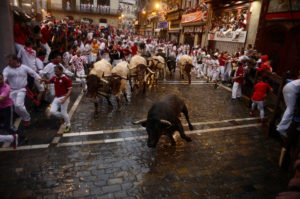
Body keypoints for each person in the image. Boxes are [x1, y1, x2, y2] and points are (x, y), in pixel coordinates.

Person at [3, 55, 41, 127]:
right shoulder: (7, 69)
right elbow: (4, 77)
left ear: (16, 60)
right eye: (8, 60)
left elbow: (33, 73)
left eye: (10, 60)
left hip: (22, 89)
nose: (9, 62)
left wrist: (39, 78)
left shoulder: (24, 67)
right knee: (15, 107)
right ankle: (24, 117)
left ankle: (27, 118)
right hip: (12, 90)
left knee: (19, 105)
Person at [41, 65, 72, 133]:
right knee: (52, 111)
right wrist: (44, 80)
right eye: (55, 71)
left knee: (64, 112)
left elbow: (70, 90)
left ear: (61, 71)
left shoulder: (66, 79)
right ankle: (64, 117)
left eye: (57, 71)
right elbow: (49, 81)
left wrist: (65, 99)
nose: (55, 72)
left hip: (64, 97)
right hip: (57, 97)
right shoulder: (54, 78)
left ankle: (68, 125)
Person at [0, 73, 18, 148]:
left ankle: (17, 135)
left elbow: (1, 98)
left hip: (7, 108)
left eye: (0, 79)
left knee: (8, 126)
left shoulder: (6, 87)